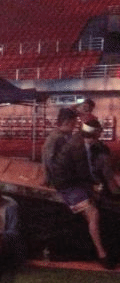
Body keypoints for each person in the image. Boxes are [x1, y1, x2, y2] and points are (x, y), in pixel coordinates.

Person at [51, 115, 115, 268]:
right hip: (67, 185)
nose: (101, 135)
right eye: (99, 132)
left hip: (74, 182)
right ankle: (102, 254)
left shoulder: (82, 141)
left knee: (92, 214)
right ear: (95, 133)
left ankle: (96, 248)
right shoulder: (78, 148)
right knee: (93, 213)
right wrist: (96, 186)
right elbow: (83, 174)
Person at [41, 107, 77, 187]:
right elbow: (49, 161)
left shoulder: (65, 135)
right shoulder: (56, 138)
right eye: (73, 124)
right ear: (66, 122)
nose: (74, 126)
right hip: (59, 182)